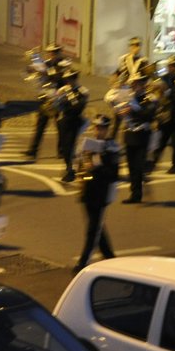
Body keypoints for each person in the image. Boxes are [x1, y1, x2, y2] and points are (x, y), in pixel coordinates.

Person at [74, 115, 121, 272]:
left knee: (93, 230)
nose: (97, 131)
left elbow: (114, 174)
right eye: (95, 127)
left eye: (101, 128)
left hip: (101, 193)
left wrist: (98, 165)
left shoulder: (112, 147)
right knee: (96, 228)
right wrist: (81, 163)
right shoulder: (89, 144)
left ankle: (83, 262)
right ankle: (110, 257)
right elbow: (80, 166)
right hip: (87, 191)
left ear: (107, 129)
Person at [118, 73, 154, 203]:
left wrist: (133, 110)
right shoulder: (128, 98)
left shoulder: (149, 98)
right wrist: (121, 111)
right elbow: (121, 113)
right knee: (131, 166)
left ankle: (137, 194)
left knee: (138, 166)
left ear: (143, 84)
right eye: (133, 84)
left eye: (137, 84)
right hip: (129, 134)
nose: (134, 86)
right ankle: (134, 193)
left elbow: (149, 116)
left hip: (142, 135)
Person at [24, 44, 64, 159]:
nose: (50, 55)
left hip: (57, 99)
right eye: (49, 53)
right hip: (46, 98)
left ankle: (61, 151)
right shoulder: (47, 63)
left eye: (53, 53)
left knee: (60, 126)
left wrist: (47, 73)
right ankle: (33, 150)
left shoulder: (63, 64)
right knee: (40, 125)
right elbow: (33, 70)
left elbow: (59, 78)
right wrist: (31, 69)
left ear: (58, 53)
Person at [151, 56, 175, 173]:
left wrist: (167, 91)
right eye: (169, 66)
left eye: (173, 66)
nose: (171, 68)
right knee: (161, 141)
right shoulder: (163, 78)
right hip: (164, 116)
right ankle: (153, 163)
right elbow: (156, 94)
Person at [52, 63, 89, 182]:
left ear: (75, 79)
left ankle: (71, 170)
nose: (68, 81)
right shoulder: (62, 90)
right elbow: (56, 105)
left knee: (72, 146)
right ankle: (69, 168)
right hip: (63, 121)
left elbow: (79, 107)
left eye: (70, 79)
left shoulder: (83, 91)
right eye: (67, 79)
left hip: (75, 120)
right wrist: (58, 100)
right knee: (65, 146)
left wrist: (66, 102)